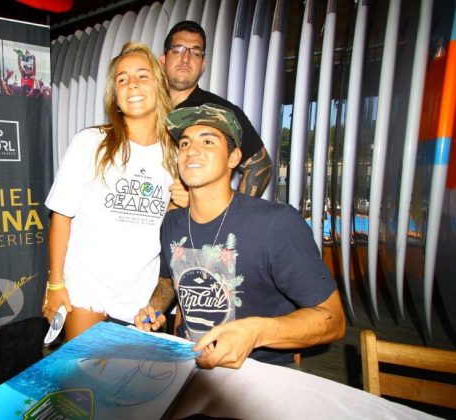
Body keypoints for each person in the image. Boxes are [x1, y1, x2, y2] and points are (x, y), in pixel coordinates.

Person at [134, 104, 345, 369]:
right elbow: (168, 279)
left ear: (233, 158)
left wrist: (254, 332)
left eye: (208, 141)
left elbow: (333, 320)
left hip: (260, 373)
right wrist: (154, 308)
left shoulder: (276, 223)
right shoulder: (172, 222)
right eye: (185, 143)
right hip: (187, 364)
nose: (191, 151)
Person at [42, 42, 188, 341]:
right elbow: (61, 215)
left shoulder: (176, 154)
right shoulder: (90, 142)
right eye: (122, 79)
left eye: (142, 75)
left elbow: (168, 227)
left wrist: (181, 203)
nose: (131, 83)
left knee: (127, 384)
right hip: (86, 287)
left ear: (159, 87)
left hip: (140, 292)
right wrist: (55, 284)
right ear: (116, 97)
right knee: (83, 380)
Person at [161, 21, 272, 197]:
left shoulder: (220, 112)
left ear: (203, 64)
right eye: (178, 50)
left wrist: (231, 216)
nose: (185, 59)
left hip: (189, 220)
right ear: (163, 59)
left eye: (195, 53)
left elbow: (260, 165)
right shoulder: (144, 106)